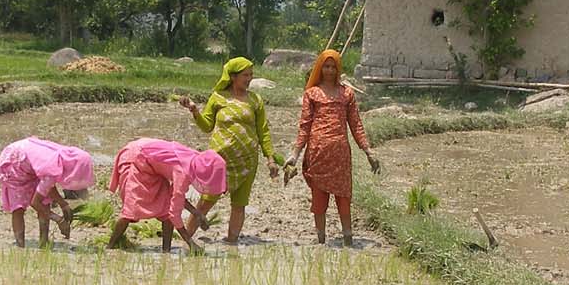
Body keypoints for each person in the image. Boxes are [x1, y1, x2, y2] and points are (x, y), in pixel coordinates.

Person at [177, 57, 278, 244]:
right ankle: (185, 238)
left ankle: (232, 242)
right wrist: (195, 111)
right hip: (219, 161)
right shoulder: (218, 97)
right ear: (232, 77)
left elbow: (263, 130)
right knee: (207, 199)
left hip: (247, 160)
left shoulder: (255, 100)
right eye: (245, 75)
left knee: (239, 204)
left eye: (251, 75)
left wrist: (270, 158)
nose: (249, 79)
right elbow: (207, 126)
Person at [286, 49, 380, 246]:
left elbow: (356, 125)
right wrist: (295, 154)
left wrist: (368, 151)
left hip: (341, 155)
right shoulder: (312, 94)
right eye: (326, 66)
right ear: (320, 68)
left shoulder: (347, 94)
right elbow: (305, 125)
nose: (329, 71)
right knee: (319, 200)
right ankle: (321, 240)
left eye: (333, 67)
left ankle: (348, 238)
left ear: (339, 69)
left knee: (344, 197)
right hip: (318, 153)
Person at [107, 138, 227, 254]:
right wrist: (190, 243)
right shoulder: (183, 172)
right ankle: (110, 248)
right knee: (132, 208)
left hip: (151, 163)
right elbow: (174, 213)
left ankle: (166, 252)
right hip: (136, 157)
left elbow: (174, 197)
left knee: (165, 211)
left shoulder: (194, 162)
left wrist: (196, 213)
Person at [0, 137, 95, 247]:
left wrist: (63, 204)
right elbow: (35, 203)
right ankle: (20, 246)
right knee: (18, 208)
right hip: (15, 160)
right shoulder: (52, 167)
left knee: (45, 203)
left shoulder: (59, 163)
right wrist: (59, 221)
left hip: (31, 162)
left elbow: (48, 187)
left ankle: (44, 243)